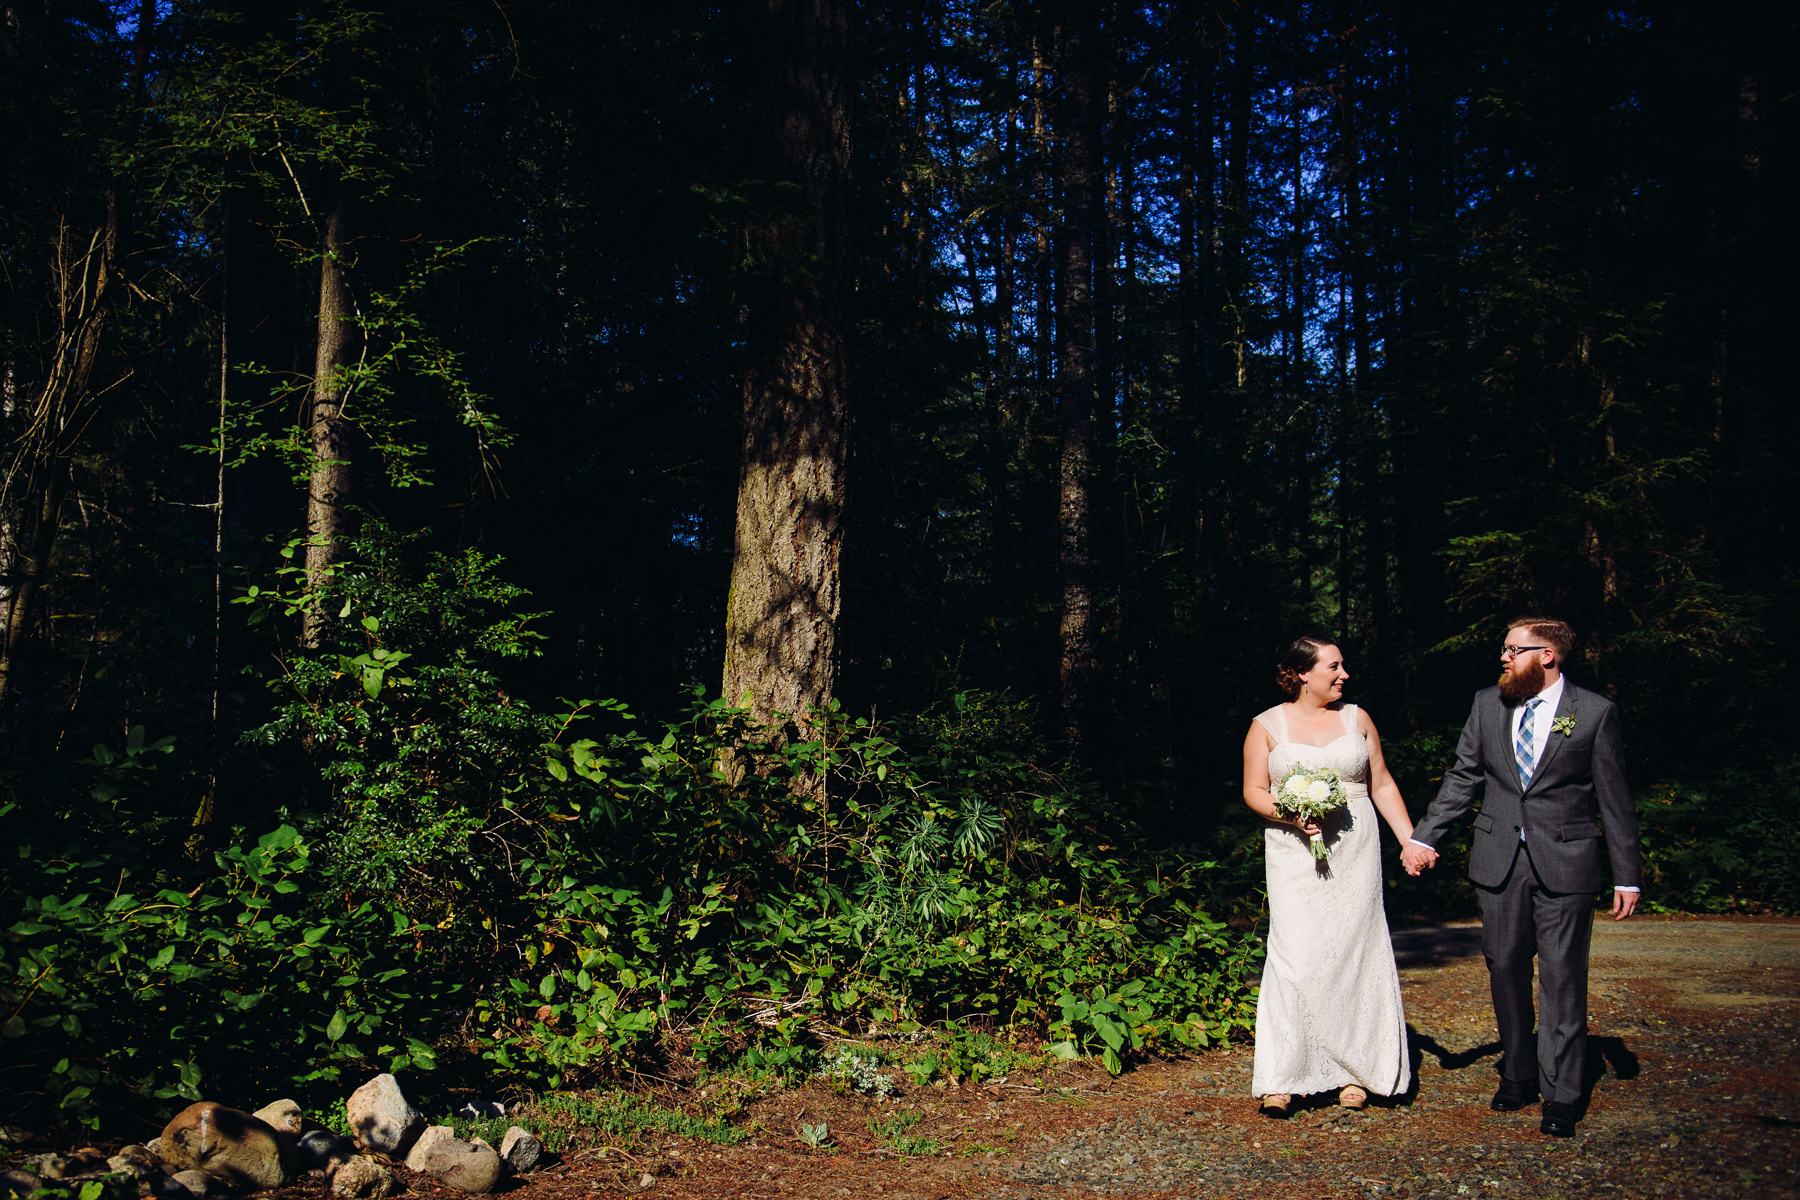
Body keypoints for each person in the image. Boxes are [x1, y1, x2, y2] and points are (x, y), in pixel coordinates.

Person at [1401, 618, 1640, 1138]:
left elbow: (1615, 798)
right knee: (1504, 965)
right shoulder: (1488, 704)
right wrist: (1425, 837)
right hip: (1498, 859)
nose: (1503, 658)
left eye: (1514, 649)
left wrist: (1628, 876)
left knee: (1562, 975)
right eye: (1504, 649)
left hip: (1567, 861)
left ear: (1548, 655)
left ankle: (1562, 1093)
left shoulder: (1594, 713)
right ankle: (1519, 1072)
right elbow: (1463, 776)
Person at [1242, 635, 1416, 1117]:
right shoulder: (1266, 725)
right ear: (1301, 674)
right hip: (1293, 850)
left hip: (1355, 848)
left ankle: (1355, 1072)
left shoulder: (1356, 718)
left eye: (1343, 667)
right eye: (1333, 667)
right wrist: (1290, 814)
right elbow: (1254, 790)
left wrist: (1409, 839)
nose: (1344, 675)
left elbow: (1380, 782)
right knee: (1294, 955)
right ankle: (1283, 1074)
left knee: (1354, 952)